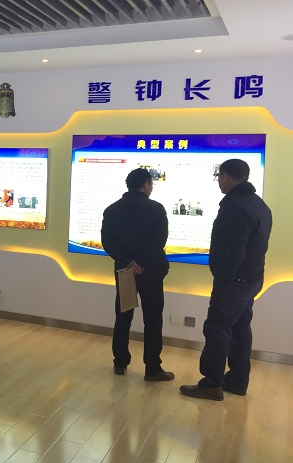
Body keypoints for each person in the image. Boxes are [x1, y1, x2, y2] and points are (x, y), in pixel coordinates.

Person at [180, 159, 272, 401]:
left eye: (219, 176)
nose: (219, 181)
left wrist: (222, 278)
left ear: (227, 176)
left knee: (217, 328)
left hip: (234, 281)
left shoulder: (236, 207)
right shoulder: (258, 204)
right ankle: (238, 380)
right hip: (252, 278)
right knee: (240, 328)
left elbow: (233, 250)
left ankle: (211, 384)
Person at [101, 168, 174, 382]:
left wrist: (127, 263)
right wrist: (140, 262)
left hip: (125, 272)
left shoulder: (112, 210)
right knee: (153, 319)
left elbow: (108, 242)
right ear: (145, 185)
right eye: (151, 184)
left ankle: (120, 362)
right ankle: (152, 368)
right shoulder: (156, 209)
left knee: (123, 317)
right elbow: (159, 240)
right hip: (151, 271)